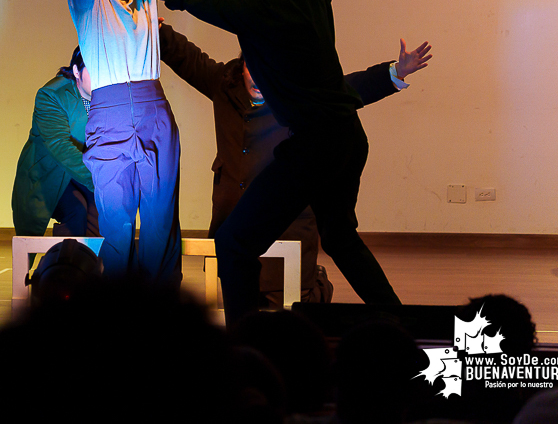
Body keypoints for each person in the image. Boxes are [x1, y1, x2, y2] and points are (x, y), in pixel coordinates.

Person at [53, 0, 400, 324]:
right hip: (348, 138)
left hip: (313, 146)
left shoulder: (250, 11)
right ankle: (400, 323)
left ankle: (245, 344)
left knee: (235, 244)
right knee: (341, 239)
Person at [159, 22, 431, 304]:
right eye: (253, 69)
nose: (259, 80)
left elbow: (351, 87)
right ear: (242, 66)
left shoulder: (299, 95)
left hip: (286, 223)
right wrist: (151, 25)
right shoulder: (223, 83)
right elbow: (187, 57)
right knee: (238, 282)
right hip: (233, 216)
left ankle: (318, 286)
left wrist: (396, 72)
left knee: (288, 297)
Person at [65, 0, 183, 281]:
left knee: (160, 230)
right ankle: (115, 329)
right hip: (110, 118)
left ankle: (165, 320)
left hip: (154, 113)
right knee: (115, 234)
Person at [11, 47, 98, 238]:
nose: (101, 78)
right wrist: (100, 179)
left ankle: (93, 265)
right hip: (49, 173)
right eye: (94, 70)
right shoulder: (51, 95)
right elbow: (61, 147)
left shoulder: (107, 94)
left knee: (103, 214)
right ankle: (61, 265)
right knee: (76, 212)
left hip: (84, 171)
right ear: (76, 71)